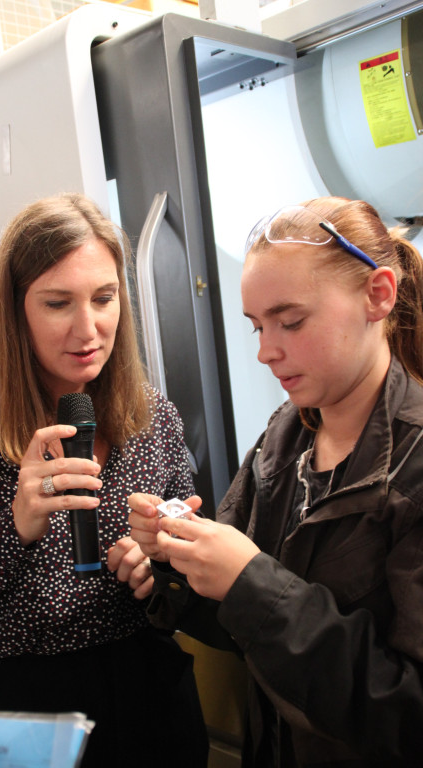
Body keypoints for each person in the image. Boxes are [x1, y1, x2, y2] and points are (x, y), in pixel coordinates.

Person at [0, 193, 208, 767]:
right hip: (17, 709)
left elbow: (194, 544)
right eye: (57, 303)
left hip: (148, 691)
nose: (88, 328)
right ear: (15, 310)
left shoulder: (152, 415)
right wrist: (13, 528)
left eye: (104, 298)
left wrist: (160, 561)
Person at [127, 196, 423, 767]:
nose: (266, 351)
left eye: (291, 322)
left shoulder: (413, 466)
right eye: (258, 326)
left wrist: (250, 582)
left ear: (378, 295)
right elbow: (247, 631)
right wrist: (176, 559)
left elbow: (408, 713)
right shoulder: (285, 437)